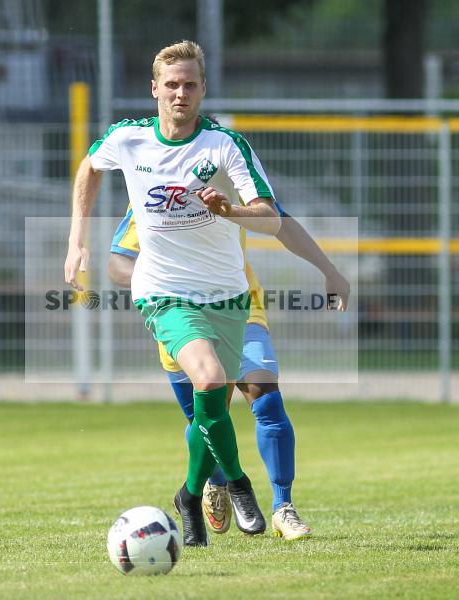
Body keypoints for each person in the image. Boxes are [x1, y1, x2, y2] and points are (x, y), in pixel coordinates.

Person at [64, 40, 281, 547]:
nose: (180, 93)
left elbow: (269, 215)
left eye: (190, 84)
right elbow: (89, 168)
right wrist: (76, 239)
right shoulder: (129, 138)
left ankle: (188, 494)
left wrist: (231, 211)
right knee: (207, 378)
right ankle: (240, 484)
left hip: (228, 294)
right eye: (171, 85)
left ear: (202, 89)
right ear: (154, 89)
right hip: (163, 291)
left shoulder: (226, 146)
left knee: (214, 405)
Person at [108, 199, 349, 541]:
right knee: (205, 414)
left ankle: (283, 507)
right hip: (177, 310)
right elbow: (117, 262)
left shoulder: (231, 174)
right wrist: (160, 277)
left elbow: (281, 222)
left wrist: (330, 270)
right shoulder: (152, 186)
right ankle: (214, 480)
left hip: (239, 305)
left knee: (266, 399)